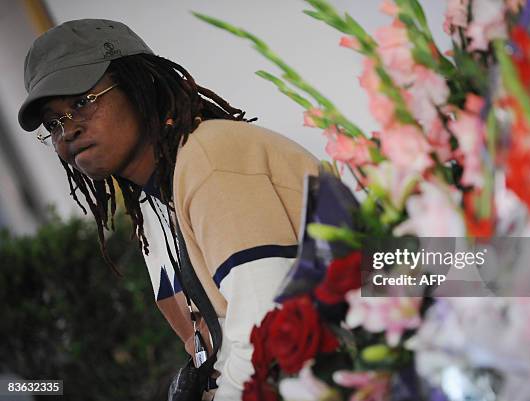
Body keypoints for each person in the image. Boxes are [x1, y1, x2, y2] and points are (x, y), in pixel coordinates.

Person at [18, 18, 320, 400]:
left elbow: (267, 333)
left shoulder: (210, 157)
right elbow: (213, 346)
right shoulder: (152, 204)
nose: (68, 130)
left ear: (140, 82)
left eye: (82, 102)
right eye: (53, 123)